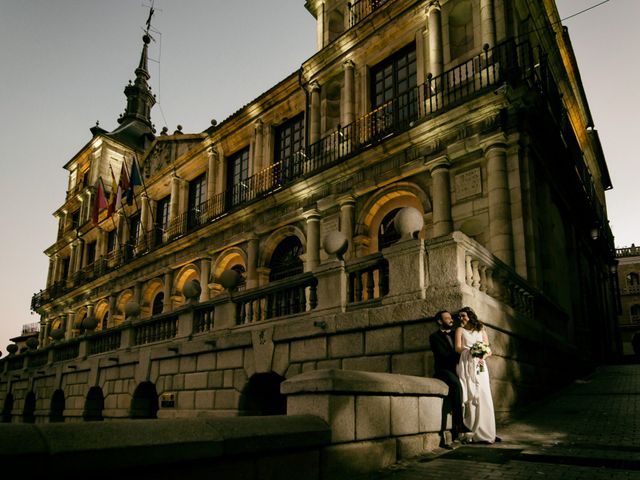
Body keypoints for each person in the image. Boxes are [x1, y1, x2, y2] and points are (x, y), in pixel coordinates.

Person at [454, 306, 497, 444]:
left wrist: (481, 355)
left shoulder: (481, 329)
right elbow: (458, 348)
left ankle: (486, 432)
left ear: (470, 316)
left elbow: (488, 349)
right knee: (470, 395)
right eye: (459, 316)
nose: (461, 318)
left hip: (480, 365)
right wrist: (471, 351)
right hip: (466, 363)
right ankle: (471, 431)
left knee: (483, 394)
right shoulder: (459, 330)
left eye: (463, 316)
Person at [429, 310, 467, 441]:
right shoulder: (434, 337)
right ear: (440, 321)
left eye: (451, 318)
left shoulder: (458, 333)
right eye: (447, 318)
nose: (451, 320)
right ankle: (459, 424)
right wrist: (462, 353)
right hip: (444, 370)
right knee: (456, 384)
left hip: (460, 368)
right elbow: (442, 355)